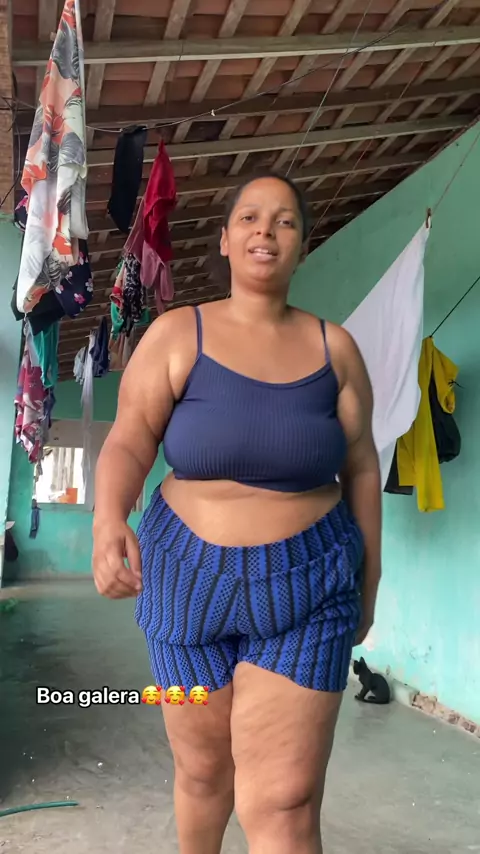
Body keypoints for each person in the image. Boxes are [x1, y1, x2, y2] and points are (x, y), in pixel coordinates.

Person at [92, 173, 382, 854]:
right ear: (223, 239)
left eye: (285, 221)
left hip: (310, 586)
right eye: (250, 217)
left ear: (302, 244)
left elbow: (363, 467)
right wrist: (108, 519)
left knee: (284, 798)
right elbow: (129, 439)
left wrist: (369, 583)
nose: (265, 231)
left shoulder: (335, 349)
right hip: (183, 587)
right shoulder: (177, 334)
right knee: (202, 774)